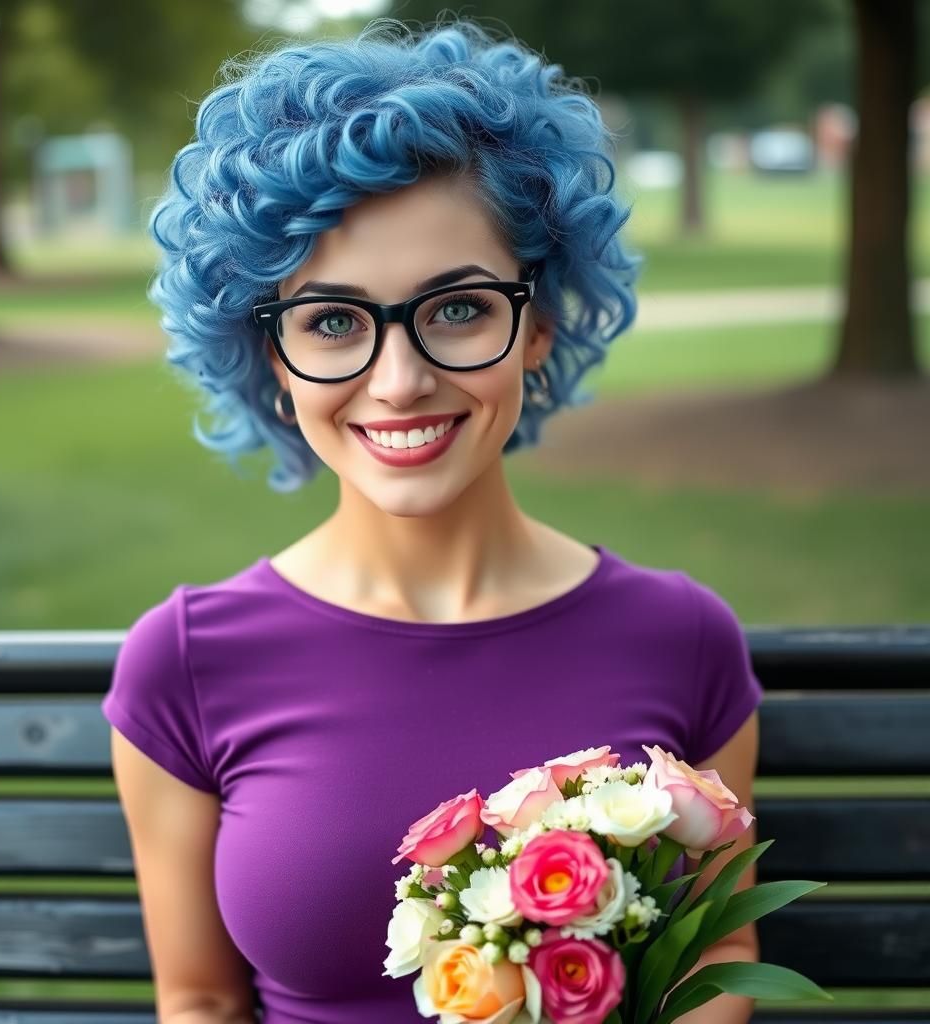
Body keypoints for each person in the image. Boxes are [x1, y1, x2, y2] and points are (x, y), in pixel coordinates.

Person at [101, 16, 763, 1024]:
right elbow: (197, 999)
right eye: (331, 321)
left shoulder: (684, 641)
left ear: (536, 323)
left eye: (457, 308)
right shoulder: (183, 663)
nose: (400, 381)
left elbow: (717, 956)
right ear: (271, 359)